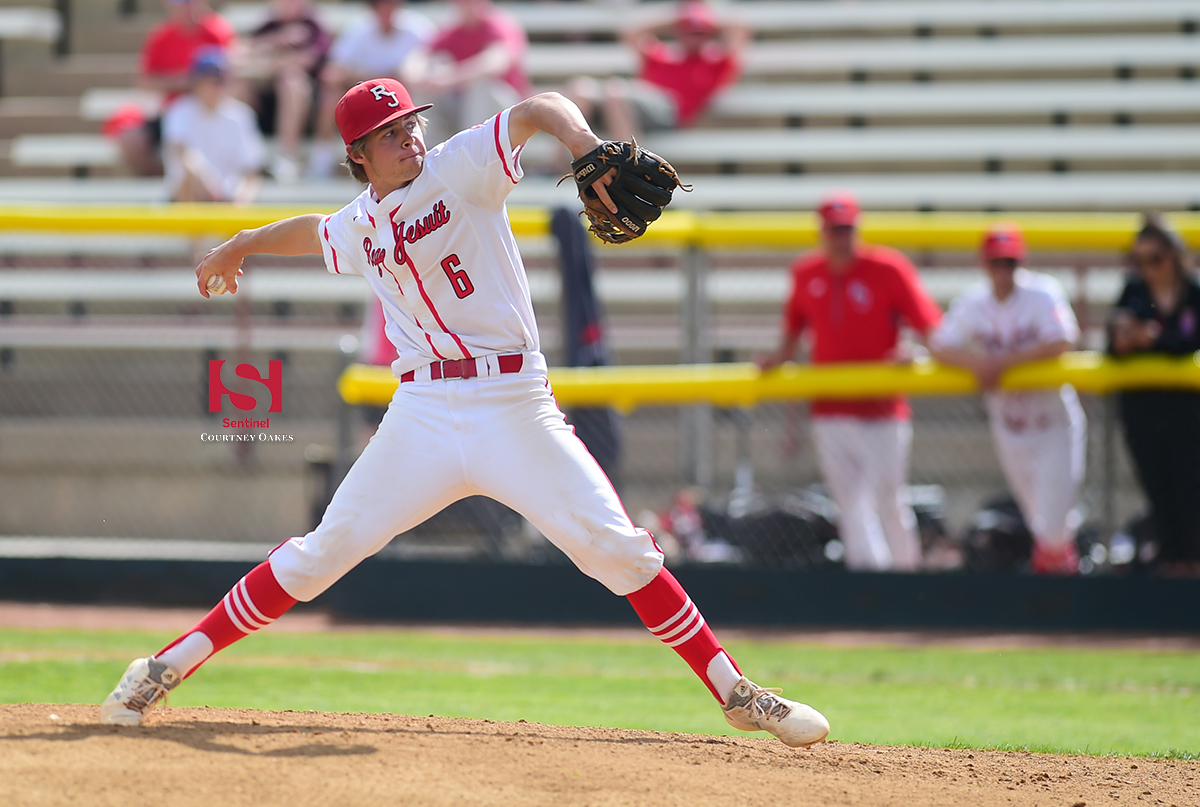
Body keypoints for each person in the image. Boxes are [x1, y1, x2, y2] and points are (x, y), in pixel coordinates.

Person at [99, 78, 830, 750]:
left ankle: (735, 691)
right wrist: (240, 243)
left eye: (410, 123)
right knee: (321, 554)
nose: (409, 136)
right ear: (357, 154)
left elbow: (541, 108)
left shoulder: (459, 166)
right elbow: (312, 229)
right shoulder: (359, 223)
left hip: (512, 404)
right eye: (390, 133)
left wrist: (583, 146)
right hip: (421, 413)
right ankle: (166, 664)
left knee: (619, 550)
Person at [756, 192, 942, 572]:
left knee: (889, 497)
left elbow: (931, 326)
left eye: (847, 229)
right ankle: (868, 583)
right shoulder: (807, 273)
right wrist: (775, 361)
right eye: (835, 230)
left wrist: (916, 353)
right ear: (823, 232)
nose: (842, 237)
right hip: (831, 407)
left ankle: (906, 578)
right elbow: (793, 333)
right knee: (850, 502)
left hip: (883, 405)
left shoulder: (888, 268)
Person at [929, 224, 1086, 575]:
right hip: (1011, 428)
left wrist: (1001, 363)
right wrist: (977, 364)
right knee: (1040, 524)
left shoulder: (1043, 293)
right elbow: (939, 346)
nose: (1003, 270)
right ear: (984, 264)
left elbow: (1062, 341)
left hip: (1052, 424)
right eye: (997, 262)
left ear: (1021, 262)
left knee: (1054, 529)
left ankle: (1058, 578)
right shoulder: (974, 302)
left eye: (1010, 262)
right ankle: (1062, 591)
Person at [1108, 214, 1200, 575]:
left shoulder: (1193, 292)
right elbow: (1112, 348)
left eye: (1155, 259)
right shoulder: (1134, 291)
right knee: (1160, 497)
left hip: (1188, 414)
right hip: (1144, 412)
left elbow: (1189, 343)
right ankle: (1172, 575)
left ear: (1173, 256)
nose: (1148, 268)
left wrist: (1155, 339)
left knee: (1190, 494)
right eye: (1139, 260)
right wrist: (1125, 338)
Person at [566, 0, 749, 142]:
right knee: (580, 90)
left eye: (700, 32)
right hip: (633, 106)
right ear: (677, 32)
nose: (693, 37)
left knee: (615, 92)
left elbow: (738, 28)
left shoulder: (715, 63)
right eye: (687, 31)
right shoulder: (662, 56)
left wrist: (701, 18)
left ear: (710, 34)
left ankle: (629, 167)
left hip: (668, 114)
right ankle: (557, 169)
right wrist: (681, 18)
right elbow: (631, 32)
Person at [309, 0, 433, 177]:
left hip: (406, 103)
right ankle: (321, 159)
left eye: (391, 4)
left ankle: (423, 157)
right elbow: (332, 72)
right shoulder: (358, 29)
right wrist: (376, 79)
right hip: (365, 106)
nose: (386, 9)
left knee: (423, 92)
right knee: (331, 97)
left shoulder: (418, 29)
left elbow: (427, 69)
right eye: (380, 4)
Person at [114, 0, 237, 177]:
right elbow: (144, 82)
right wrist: (184, 81)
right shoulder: (161, 36)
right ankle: (170, 185)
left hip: (210, 114)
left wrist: (201, 85)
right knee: (130, 141)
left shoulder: (218, 31)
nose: (187, 7)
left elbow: (230, 76)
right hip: (172, 112)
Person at [402, 0, 531, 144]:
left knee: (480, 85)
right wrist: (423, 80)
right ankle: (429, 154)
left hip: (505, 110)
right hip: (461, 108)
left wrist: (449, 79)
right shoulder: (451, 29)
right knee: (432, 75)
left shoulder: (500, 24)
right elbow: (417, 61)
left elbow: (495, 63)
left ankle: (474, 148)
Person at [239, 0, 331, 182]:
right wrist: (276, 40)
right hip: (266, 106)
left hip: (306, 111)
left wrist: (269, 61)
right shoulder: (269, 28)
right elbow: (237, 58)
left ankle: (288, 157)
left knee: (292, 81)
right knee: (238, 85)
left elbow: (307, 60)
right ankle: (243, 156)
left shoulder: (313, 27)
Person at [162, 48, 264, 204]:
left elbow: (251, 172)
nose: (215, 87)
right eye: (210, 80)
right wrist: (207, 183)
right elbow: (182, 153)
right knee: (189, 174)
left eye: (220, 80)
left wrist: (240, 204)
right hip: (186, 199)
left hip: (228, 201)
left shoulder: (242, 115)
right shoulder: (179, 111)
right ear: (196, 82)